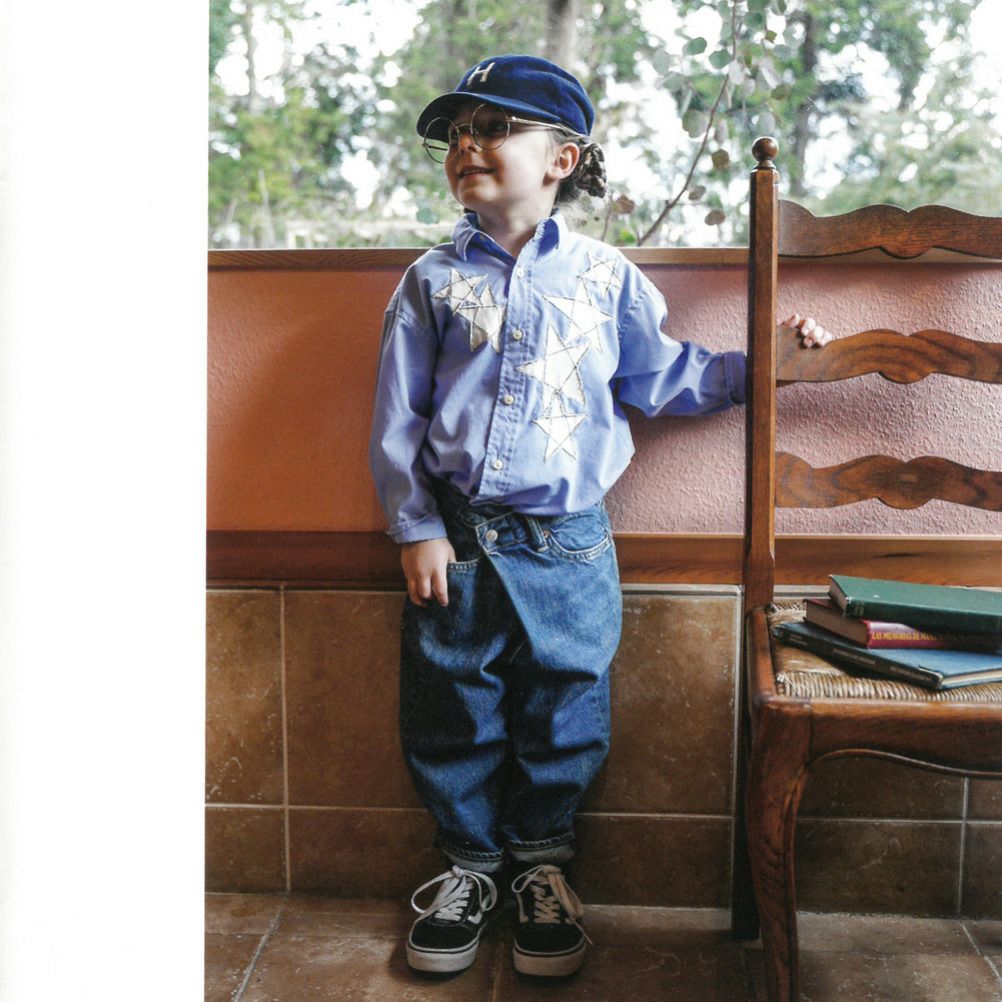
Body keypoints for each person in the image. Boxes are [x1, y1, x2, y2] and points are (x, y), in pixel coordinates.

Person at [368, 53, 832, 979]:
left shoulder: (605, 278)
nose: (467, 144)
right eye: (457, 132)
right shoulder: (430, 282)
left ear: (562, 159)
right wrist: (416, 527)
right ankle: (469, 868)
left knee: (566, 708)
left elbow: (666, 378)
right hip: (458, 538)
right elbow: (396, 416)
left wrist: (764, 364)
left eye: (495, 127)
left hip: (571, 543)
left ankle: (541, 868)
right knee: (453, 708)